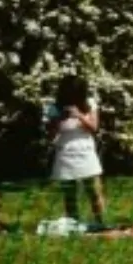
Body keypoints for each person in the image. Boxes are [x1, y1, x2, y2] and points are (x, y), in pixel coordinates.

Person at [49, 74, 107, 227]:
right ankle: (74, 224)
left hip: (86, 152)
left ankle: (101, 222)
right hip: (65, 153)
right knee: (69, 194)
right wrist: (59, 119)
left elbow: (94, 128)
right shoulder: (54, 108)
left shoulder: (90, 104)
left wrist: (80, 115)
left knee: (94, 191)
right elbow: (51, 135)